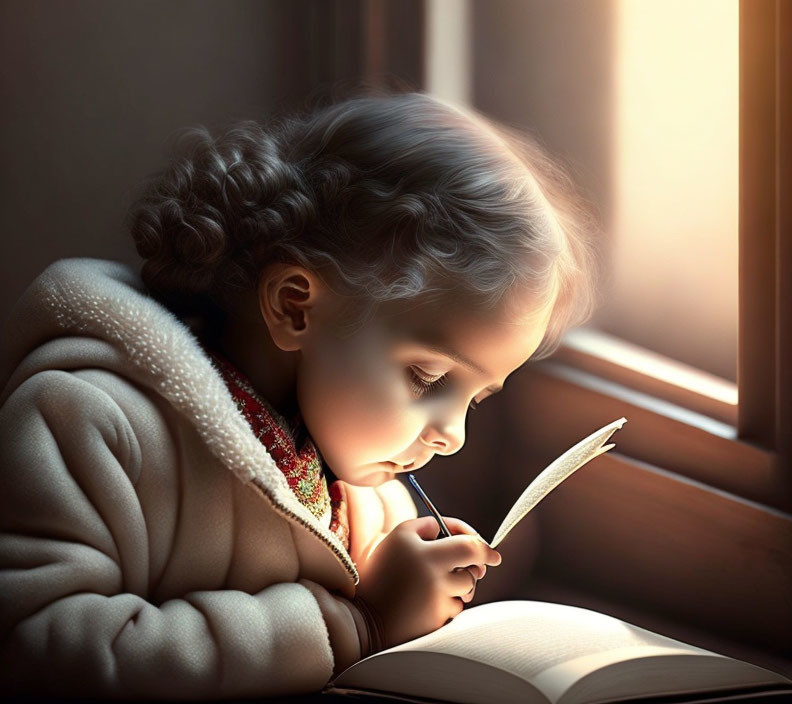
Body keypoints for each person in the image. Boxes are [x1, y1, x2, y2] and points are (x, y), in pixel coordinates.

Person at [0, 90, 600, 698]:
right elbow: (39, 653)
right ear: (295, 306)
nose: (452, 434)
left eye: (474, 399)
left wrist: (416, 604)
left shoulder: (371, 504)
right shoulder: (88, 421)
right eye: (428, 378)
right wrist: (360, 623)